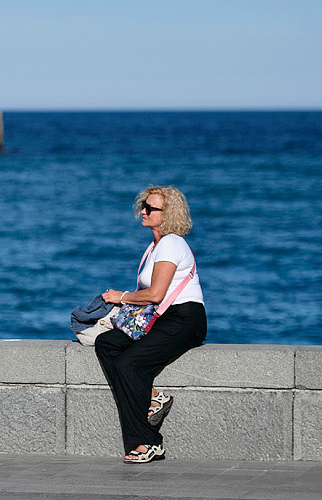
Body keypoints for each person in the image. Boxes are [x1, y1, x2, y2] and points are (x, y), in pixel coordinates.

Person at [96, 186, 206, 464]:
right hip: (162, 317)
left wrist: (120, 297)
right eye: (144, 206)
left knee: (128, 365)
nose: (143, 211)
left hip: (185, 318)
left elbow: (156, 294)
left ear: (168, 214)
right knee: (106, 343)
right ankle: (153, 397)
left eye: (151, 208)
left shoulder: (171, 243)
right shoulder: (154, 246)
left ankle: (149, 443)